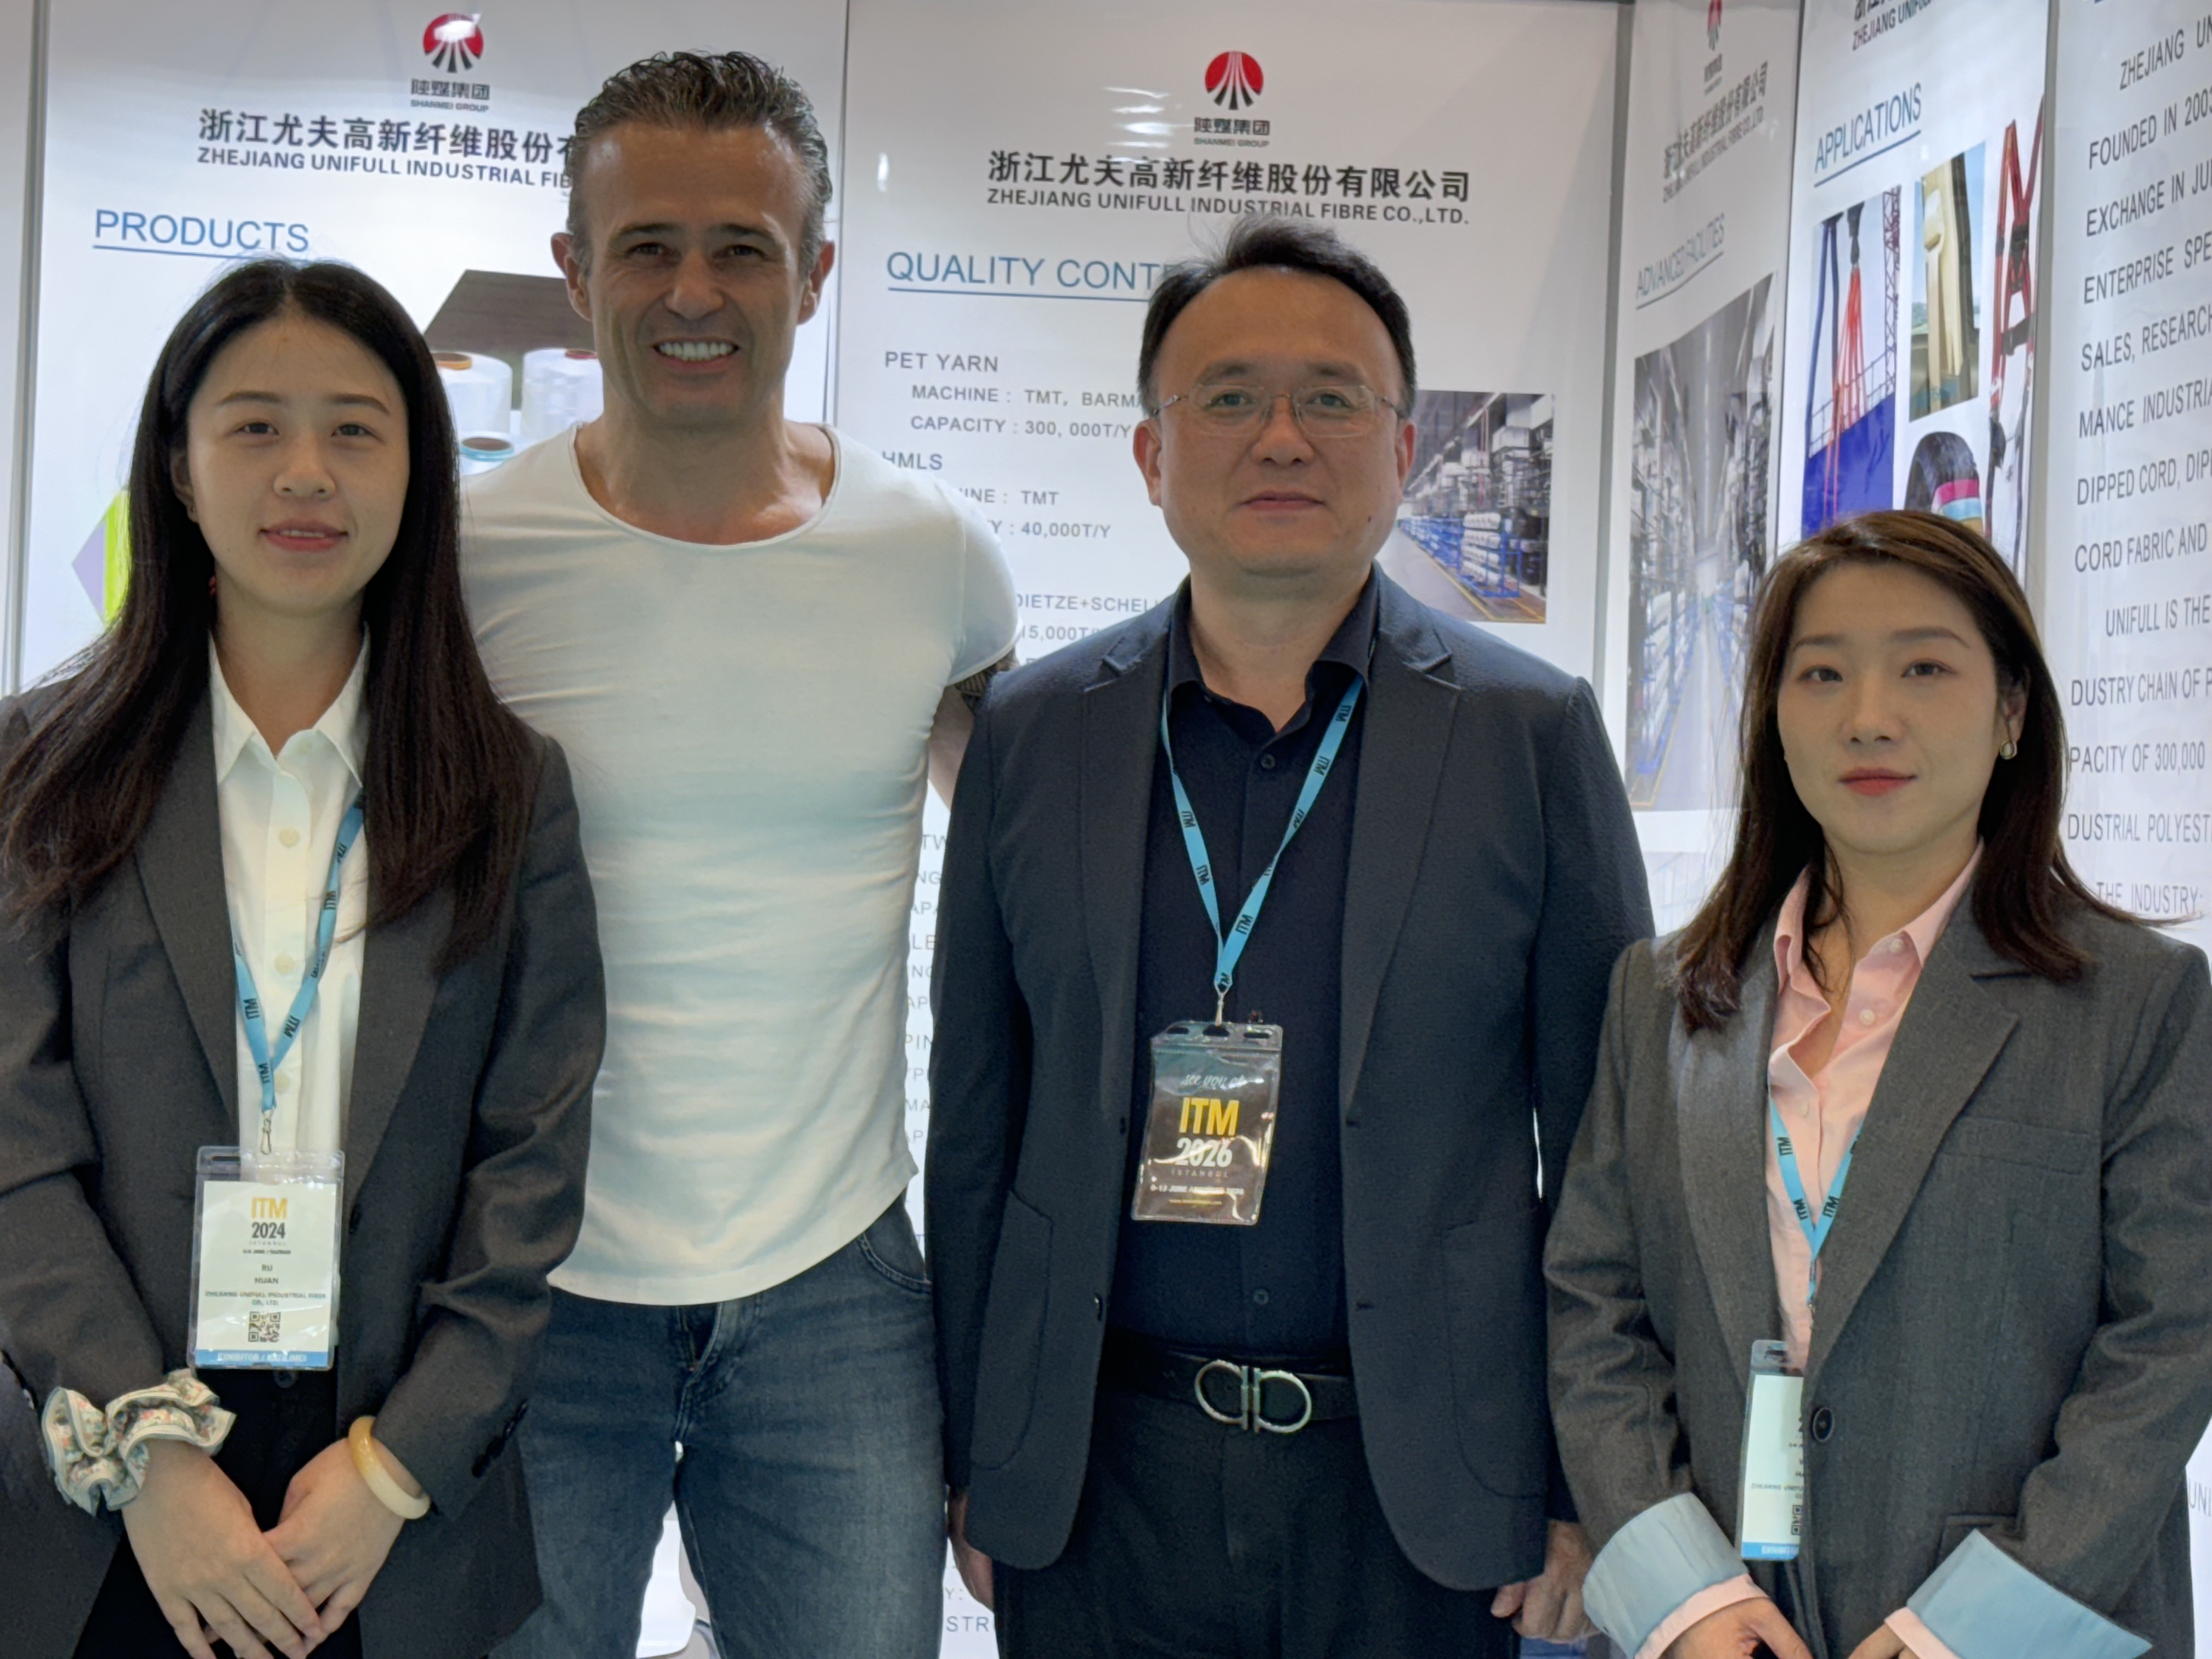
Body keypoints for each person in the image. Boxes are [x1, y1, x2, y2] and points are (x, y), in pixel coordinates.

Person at [926, 215, 1651, 1657]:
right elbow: (978, 1127)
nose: (1281, 437)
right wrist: (974, 1455)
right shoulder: (1034, 735)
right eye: (1230, 397)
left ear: (1405, 450)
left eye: (1333, 398)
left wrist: (1590, 1490)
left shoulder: (1529, 735)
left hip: (1428, 1498)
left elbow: (1606, 1146)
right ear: (1151, 453)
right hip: (1098, 1484)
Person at [464, 51, 1016, 1659]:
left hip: (833, 1287)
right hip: (530, 1284)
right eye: (646, 246)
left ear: (814, 272)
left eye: (742, 250)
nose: (693, 292)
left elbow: (1041, 886)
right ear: (575, 271)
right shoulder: (465, 560)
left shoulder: (931, 558)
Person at [0, 258, 605, 1659]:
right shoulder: (45, 766)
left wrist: (397, 1468)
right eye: (256, 426)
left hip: (390, 1507)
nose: (306, 474)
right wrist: (148, 1454)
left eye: (354, 429)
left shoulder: (507, 792)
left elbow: (531, 1164)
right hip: (107, 1505)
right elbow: (14, 1140)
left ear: (418, 470)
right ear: (179, 465)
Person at [1546, 510, 2212, 1659]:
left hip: (2010, 1626)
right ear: (1774, 715)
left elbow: (2170, 1342)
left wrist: (1975, 1627)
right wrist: (1684, 1596)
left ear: (2012, 711)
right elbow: (1593, 1310)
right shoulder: (1663, 999)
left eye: (1924, 669)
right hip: (1722, 1625)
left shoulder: (2137, 1002)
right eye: (1822, 674)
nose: (1868, 716)